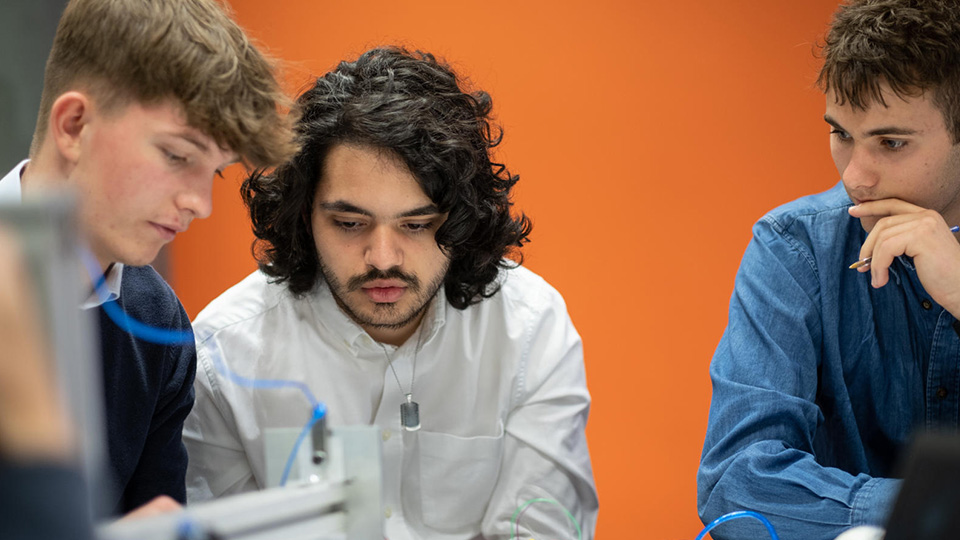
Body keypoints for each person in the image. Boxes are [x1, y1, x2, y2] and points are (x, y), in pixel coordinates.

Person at [183, 47, 599, 539]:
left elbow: (545, 529)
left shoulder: (529, 329)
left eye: (417, 224)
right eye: (350, 223)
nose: (382, 257)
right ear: (303, 215)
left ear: (461, 219)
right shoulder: (223, 354)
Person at [0, 0, 297, 517]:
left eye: (215, 171)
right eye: (177, 156)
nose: (199, 205)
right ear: (73, 125)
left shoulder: (159, 325)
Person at [698, 1, 960, 538]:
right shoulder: (791, 246)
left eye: (891, 142)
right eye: (841, 134)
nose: (856, 179)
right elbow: (734, 483)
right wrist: (929, 513)